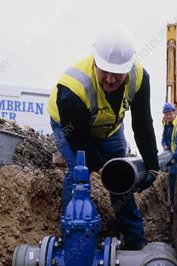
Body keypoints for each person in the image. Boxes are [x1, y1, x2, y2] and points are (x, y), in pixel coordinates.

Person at [48, 29, 159, 250]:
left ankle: (134, 240)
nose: (110, 79)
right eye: (105, 71)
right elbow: (79, 139)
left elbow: (142, 123)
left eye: (117, 74)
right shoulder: (73, 88)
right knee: (79, 173)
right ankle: (72, 238)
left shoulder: (139, 77)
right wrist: (101, 167)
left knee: (121, 180)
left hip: (109, 128)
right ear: (95, 62)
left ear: (128, 67)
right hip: (70, 127)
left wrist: (152, 166)